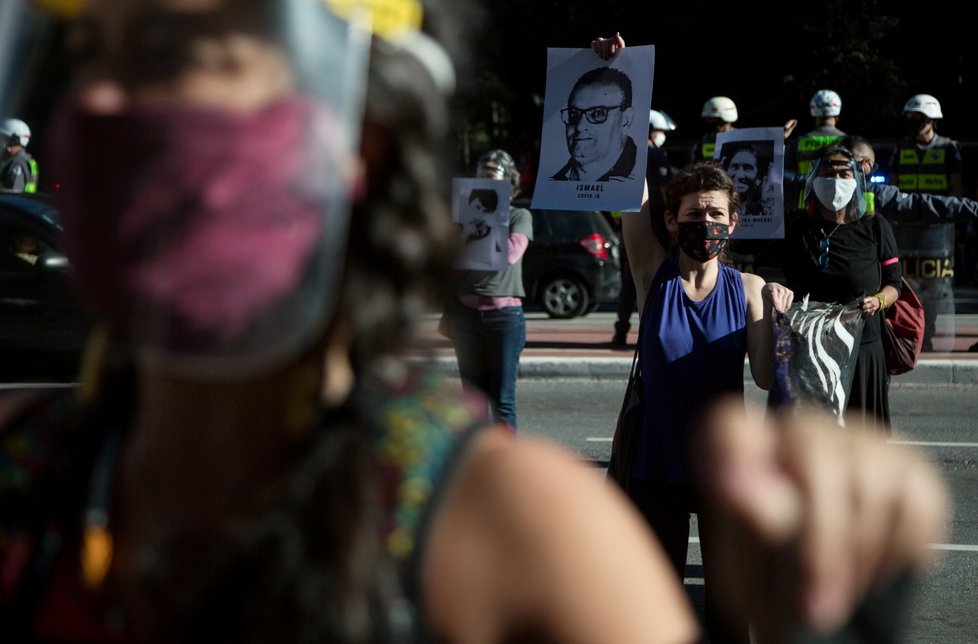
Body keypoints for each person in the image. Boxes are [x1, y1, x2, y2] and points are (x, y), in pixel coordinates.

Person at [0, 9, 950, 644]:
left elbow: (782, 378)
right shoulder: (26, 477)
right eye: (89, 55)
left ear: (365, 131)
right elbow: (617, 191)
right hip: (649, 471)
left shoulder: (523, 533)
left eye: (182, 58)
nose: (104, 105)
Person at [781, 144, 903, 428]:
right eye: (828, 172)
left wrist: (879, 301)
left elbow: (894, 284)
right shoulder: (796, 229)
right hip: (811, 350)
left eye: (844, 172)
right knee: (814, 440)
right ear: (813, 180)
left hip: (863, 349)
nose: (835, 179)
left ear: (857, 181)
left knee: (863, 440)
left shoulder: (875, 227)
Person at [448, 149, 532, 428]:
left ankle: (503, 467)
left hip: (504, 318)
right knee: (471, 402)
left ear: (508, 182)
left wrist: (484, 216)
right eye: (480, 177)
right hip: (467, 315)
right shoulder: (460, 218)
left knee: (502, 401)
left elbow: (506, 256)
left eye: (493, 178)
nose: (485, 182)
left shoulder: (519, 216)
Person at [888, 94, 964, 352]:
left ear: (931, 120)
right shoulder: (901, 147)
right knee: (909, 281)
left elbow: (956, 188)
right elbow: (894, 185)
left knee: (934, 286)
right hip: (907, 227)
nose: (913, 123)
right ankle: (911, 332)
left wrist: (944, 217)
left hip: (936, 230)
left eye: (918, 119)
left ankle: (928, 332)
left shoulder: (948, 148)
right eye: (909, 118)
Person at [611, 108, 676, 346]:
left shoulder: (622, 152)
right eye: (659, 131)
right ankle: (651, 331)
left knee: (631, 279)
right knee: (658, 276)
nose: (661, 135)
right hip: (656, 223)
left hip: (629, 225)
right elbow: (665, 190)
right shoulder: (657, 156)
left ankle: (621, 329)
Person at [551, 66, 638, 182]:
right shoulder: (552, 182)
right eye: (574, 114)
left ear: (626, 119)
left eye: (597, 114)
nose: (580, 126)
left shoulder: (643, 174)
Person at [784, 89, 845, 176]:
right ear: (837, 117)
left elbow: (788, 175)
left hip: (807, 189)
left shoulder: (797, 143)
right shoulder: (848, 141)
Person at [690, 95, 737, 163]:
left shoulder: (740, 138)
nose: (707, 121)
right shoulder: (704, 140)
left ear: (723, 118)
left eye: (710, 118)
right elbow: (695, 163)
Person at [0, 117, 39, 193]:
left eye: (3, 137)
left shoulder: (17, 163)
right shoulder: (18, 160)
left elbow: (13, 196)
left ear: (15, 141)